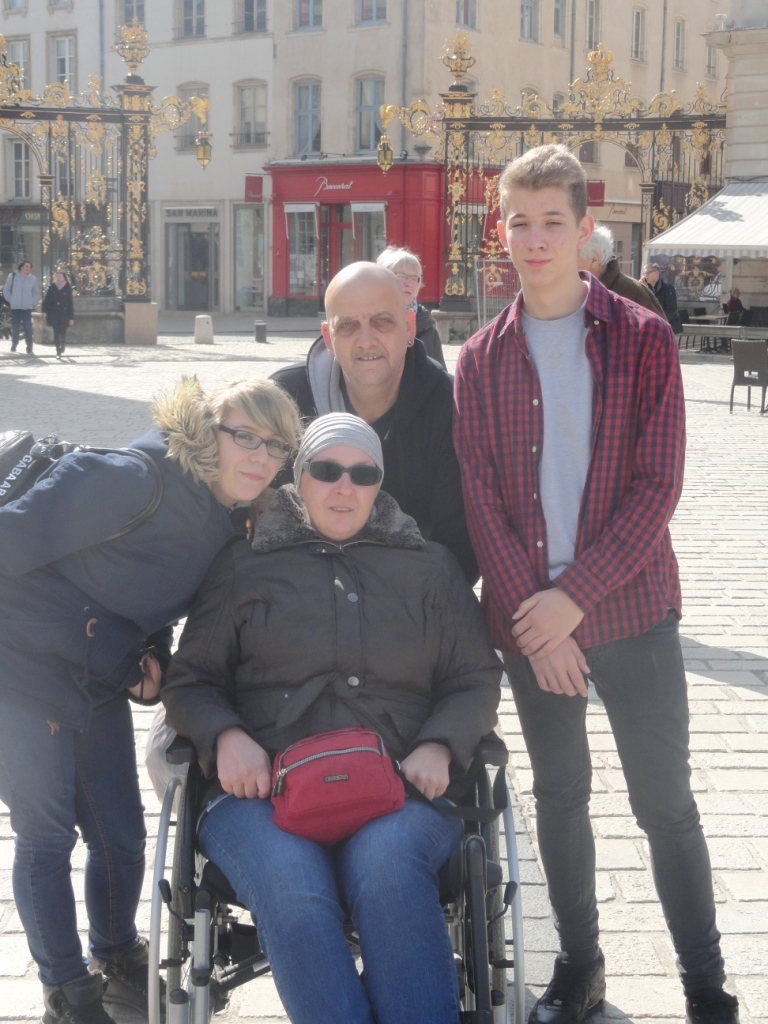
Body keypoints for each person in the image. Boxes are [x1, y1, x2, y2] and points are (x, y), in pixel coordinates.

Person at [453, 144, 738, 1024]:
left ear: (585, 230)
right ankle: (581, 967)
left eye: (553, 221)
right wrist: (535, 622)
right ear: (502, 231)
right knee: (560, 796)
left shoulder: (643, 337)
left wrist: (573, 600)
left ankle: (704, 985)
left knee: (666, 805)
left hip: (634, 611)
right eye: (520, 222)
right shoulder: (480, 358)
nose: (535, 239)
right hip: (531, 624)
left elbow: (658, 484)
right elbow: (481, 500)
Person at [161, 412, 501, 1024]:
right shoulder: (244, 564)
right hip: (260, 791)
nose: (345, 487)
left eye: (362, 474)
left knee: (388, 872)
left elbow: (475, 678)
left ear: (379, 485)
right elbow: (191, 680)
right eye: (326, 470)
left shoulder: (429, 568)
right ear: (299, 479)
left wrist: (441, 745)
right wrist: (225, 735)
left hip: (399, 786)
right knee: (292, 887)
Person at [0, 376, 301, 1024]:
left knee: (120, 834)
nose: (259, 456)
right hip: (19, 668)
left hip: (94, 677)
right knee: (46, 834)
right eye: (244, 436)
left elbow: (148, 604)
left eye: (275, 445)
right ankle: (66, 989)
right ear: (211, 432)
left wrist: (154, 659)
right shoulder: (133, 479)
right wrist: (118, 655)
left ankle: (116, 955)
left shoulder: (229, 519)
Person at [271, 260, 477, 582]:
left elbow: (458, 551)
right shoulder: (285, 401)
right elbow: (251, 514)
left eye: (382, 322)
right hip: (301, 592)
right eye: (348, 326)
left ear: (409, 327)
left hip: (409, 597)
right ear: (328, 337)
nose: (366, 341)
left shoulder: (451, 409)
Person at [376, 245, 447, 367]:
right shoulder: (368, 320)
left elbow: (439, 375)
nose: (409, 283)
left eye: (415, 278)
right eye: (402, 276)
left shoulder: (427, 328)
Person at [577, 225, 665, 318]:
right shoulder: (575, 291)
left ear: (594, 259)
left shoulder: (635, 294)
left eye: (573, 256)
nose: (567, 262)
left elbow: (659, 326)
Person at [4, 259, 39, 354]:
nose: (28, 268)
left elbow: (35, 292)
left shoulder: (32, 279)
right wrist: (11, 299)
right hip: (16, 307)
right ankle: (14, 344)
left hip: (27, 308)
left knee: (28, 328)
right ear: (21, 267)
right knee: (15, 327)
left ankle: (29, 347)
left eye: (30, 267)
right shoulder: (13, 276)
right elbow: (6, 290)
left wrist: (32, 302)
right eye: (26, 266)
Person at [641, 261, 683, 334]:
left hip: (669, 327)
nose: (645, 275)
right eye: (644, 273)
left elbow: (672, 308)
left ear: (657, 273)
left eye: (648, 272)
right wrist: (641, 287)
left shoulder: (668, 288)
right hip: (652, 327)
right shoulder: (645, 288)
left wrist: (659, 321)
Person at [42, 270, 75, 357]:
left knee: (63, 332)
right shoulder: (52, 287)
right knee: (56, 332)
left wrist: (71, 318)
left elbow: (70, 303)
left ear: (64, 278)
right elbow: (46, 300)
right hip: (54, 313)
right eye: (57, 276)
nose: (58, 278)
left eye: (60, 276)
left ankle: (62, 344)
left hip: (64, 314)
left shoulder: (67, 288)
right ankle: (57, 350)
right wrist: (44, 311)